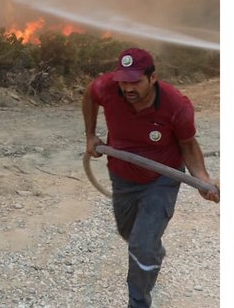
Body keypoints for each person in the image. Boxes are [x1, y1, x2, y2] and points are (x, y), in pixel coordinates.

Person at [83, 47, 219, 308]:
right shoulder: (108, 88)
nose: (127, 87)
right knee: (129, 233)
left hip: (161, 179)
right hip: (122, 174)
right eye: (123, 80)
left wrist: (202, 178)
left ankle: (138, 301)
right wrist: (90, 135)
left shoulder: (176, 105)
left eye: (135, 81)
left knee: (141, 245)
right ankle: (152, 250)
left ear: (152, 78)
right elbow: (90, 94)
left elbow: (189, 145)